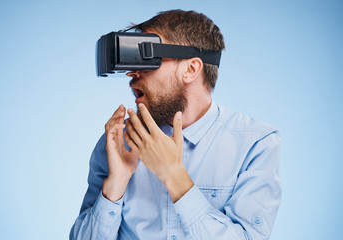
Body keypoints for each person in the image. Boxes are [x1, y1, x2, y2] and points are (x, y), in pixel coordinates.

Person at [70, 9, 281, 240]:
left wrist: (175, 177)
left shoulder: (255, 144)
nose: (132, 73)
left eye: (146, 57)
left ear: (191, 69)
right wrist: (115, 185)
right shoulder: (120, 143)